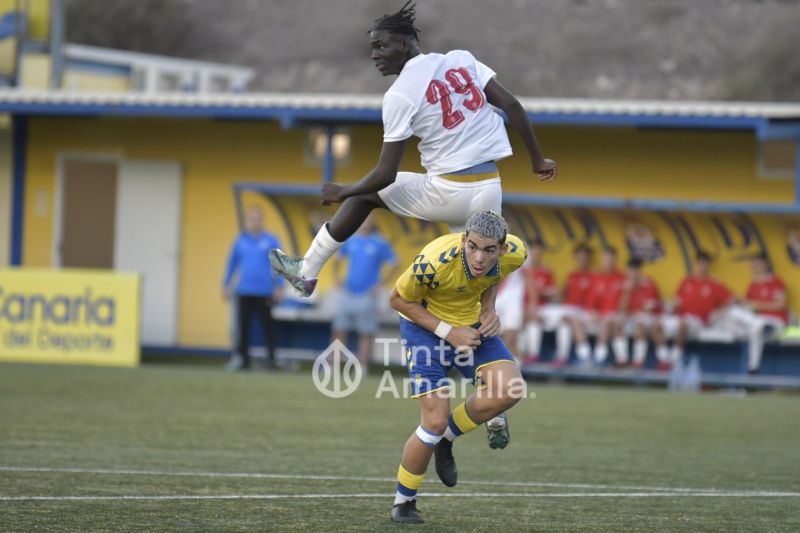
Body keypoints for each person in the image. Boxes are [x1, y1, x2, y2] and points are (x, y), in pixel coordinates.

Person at [269, 1, 557, 298]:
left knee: (364, 195)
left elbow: (385, 174)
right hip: (490, 187)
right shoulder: (460, 59)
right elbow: (511, 105)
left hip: (448, 191)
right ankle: (477, 330)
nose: (374, 54)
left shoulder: (400, 94)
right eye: (373, 48)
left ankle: (306, 272)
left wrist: (344, 191)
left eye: (381, 46)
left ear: (405, 43)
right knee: (473, 280)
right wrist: (537, 160)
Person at [387, 211, 527, 524]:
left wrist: (489, 307)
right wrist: (449, 333)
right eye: (473, 247)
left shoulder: (515, 253)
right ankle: (403, 503)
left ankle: (447, 439)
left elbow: (494, 275)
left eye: (489, 250)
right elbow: (397, 299)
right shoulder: (434, 260)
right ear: (463, 240)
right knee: (432, 422)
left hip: (472, 324)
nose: (479, 257)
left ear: (502, 250)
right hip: (425, 330)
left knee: (511, 389)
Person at [330, 215, 400, 369]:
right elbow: (337, 261)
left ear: (373, 222)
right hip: (348, 292)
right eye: (364, 220)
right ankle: (332, 366)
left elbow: (395, 263)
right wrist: (337, 279)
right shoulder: (351, 240)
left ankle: (362, 367)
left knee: (366, 332)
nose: (366, 223)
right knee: (339, 330)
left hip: (367, 295)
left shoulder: (380, 242)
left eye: (369, 220)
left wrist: (381, 284)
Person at [222, 206, 284, 370]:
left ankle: (271, 360)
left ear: (262, 220)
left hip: (265, 291)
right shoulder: (240, 240)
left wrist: (279, 286)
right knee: (243, 327)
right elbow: (232, 264)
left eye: (257, 219)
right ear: (247, 221)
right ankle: (243, 360)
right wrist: (226, 285)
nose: (255, 222)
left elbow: (279, 264)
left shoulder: (271, 240)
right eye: (252, 219)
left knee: (268, 327)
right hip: (244, 291)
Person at [653, 251, 734, 369]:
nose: (701, 267)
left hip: (699, 321)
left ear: (707, 266)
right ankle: (664, 359)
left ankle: (674, 360)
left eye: (704, 264)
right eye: (699, 264)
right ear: (695, 265)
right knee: (656, 324)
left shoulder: (714, 284)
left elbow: (731, 299)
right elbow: (677, 301)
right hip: (682, 317)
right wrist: (672, 307)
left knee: (683, 324)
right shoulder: (687, 281)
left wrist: (722, 310)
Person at [724, 253, 789, 373]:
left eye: (757, 263)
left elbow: (781, 304)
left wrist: (758, 305)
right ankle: (751, 367)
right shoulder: (752, 285)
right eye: (753, 263)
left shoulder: (775, 281)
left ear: (765, 264)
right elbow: (749, 308)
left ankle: (753, 367)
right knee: (733, 312)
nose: (754, 266)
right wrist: (740, 302)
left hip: (774, 322)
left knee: (755, 327)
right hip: (756, 322)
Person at [570, 246, 625, 365]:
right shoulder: (596, 277)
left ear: (615, 260)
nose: (607, 262)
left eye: (610, 259)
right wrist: (592, 312)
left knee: (607, 322)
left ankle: (599, 359)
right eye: (605, 259)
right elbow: (591, 301)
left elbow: (623, 304)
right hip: (597, 315)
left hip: (612, 317)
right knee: (576, 321)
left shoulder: (621, 278)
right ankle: (584, 357)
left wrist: (606, 315)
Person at [614, 257, 663, 367]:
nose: (633, 273)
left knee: (640, 323)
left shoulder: (649, 283)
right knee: (618, 323)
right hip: (631, 318)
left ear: (640, 270)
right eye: (631, 270)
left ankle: (638, 361)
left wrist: (637, 312)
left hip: (649, 319)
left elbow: (651, 308)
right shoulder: (624, 285)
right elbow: (621, 309)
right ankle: (622, 360)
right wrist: (628, 291)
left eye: (636, 270)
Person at [553, 244, 595, 365]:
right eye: (579, 257)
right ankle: (562, 357)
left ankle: (586, 358)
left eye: (584, 257)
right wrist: (558, 293)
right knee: (564, 324)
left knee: (572, 320)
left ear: (589, 259)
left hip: (586, 312)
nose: (582, 259)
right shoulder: (571, 275)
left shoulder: (593, 276)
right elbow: (562, 297)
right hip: (570, 311)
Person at [520, 238, 558, 365]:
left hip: (542, 309)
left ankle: (532, 356)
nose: (536, 255)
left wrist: (546, 293)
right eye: (534, 252)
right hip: (521, 308)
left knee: (534, 321)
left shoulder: (546, 271)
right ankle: (520, 356)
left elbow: (553, 294)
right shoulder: (520, 270)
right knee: (525, 321)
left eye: (538, 252)